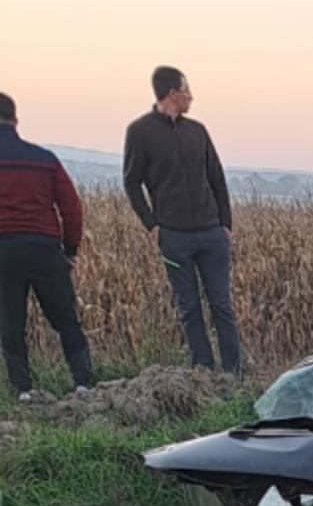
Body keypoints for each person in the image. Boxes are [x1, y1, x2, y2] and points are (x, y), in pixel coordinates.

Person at [124, 66, 242, 374]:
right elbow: (131, 182)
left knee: (222, 306)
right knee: (189, 307)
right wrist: (152, 225)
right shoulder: (140, 132)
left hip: (212, 234)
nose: (192, 96)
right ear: (172, 94)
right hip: (174, 238)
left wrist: (225, 224)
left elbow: (216, 177)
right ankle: (203, 370)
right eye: (187, 90)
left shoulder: (198, 131)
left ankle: (234, 372)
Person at [0, 92, 95, 401]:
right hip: (44, 248)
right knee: (65, 317)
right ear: (15, 120)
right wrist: (69, 250)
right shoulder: (44, 159)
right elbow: (72, 208)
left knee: (10, 321)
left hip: (4, 249)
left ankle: (23, 390)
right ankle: (83, 384)